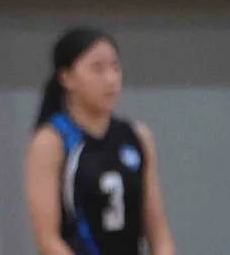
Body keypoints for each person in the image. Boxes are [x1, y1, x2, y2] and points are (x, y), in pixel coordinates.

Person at [24, 28, 175, 255]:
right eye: (97, 69)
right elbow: (47, 238)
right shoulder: (51, 142)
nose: (111, 79)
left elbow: (159, 232)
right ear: (67, 77)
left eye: (115, 67)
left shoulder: (137, 136)